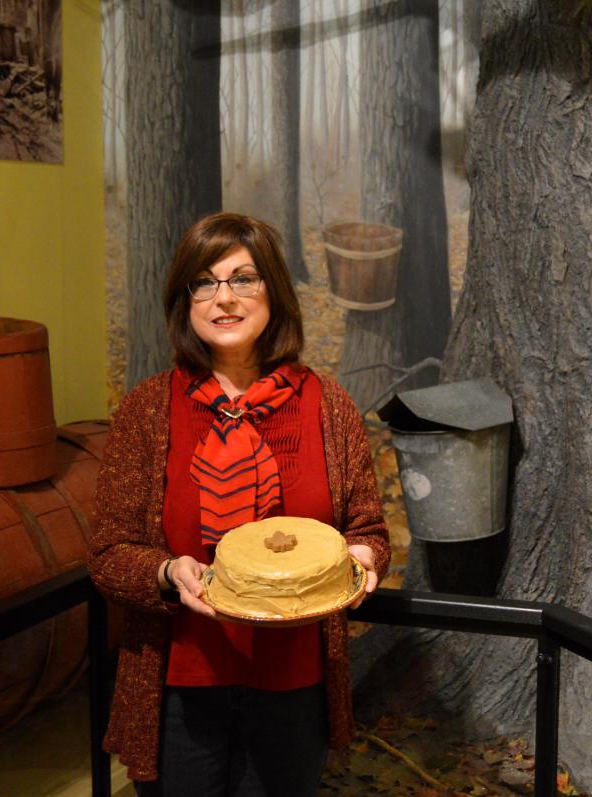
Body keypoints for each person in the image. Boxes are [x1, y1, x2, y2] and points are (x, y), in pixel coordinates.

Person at [88, 212, 391, 795]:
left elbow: (370, 531)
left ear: (273, 292)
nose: (223, 298)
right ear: (186, 301)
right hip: (181, 679)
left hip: (293, 680)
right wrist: (165, 571)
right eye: (204, 282)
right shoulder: (148, 410)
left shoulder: (327, 407)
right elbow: (108, 552)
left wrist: (361, 558)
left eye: (243, 279)